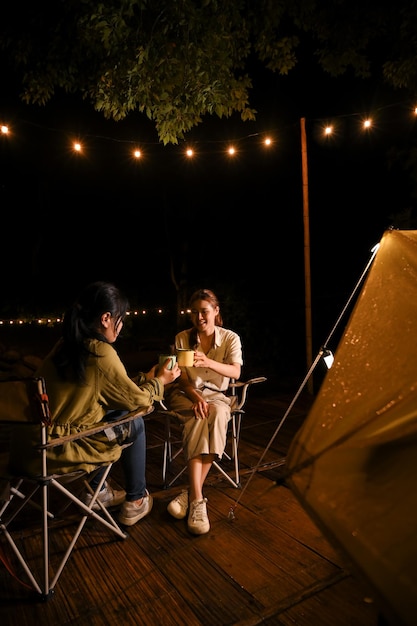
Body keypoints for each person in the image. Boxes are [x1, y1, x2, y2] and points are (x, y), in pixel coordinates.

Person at [10, 281, 181, 526]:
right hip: (58, 450)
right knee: (135, 422)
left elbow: (111, 391)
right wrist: (161, 382)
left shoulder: (65, 345)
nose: (121, 327)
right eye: (120, 319)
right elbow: (138, 400)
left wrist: (147, 378)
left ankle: (96, 491)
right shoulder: (99, 352)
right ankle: (135, 501)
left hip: (27, 446)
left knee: (117, 412)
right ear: (106, 318)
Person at [165, 288, 243, 535]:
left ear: (216, 311)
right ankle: (199, 501)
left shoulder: (230, 338)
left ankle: (191, 493)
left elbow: (236, 373)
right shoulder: (182, 339)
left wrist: (208, 362)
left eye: (204, 312)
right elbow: (183, 380)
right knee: (199, 417)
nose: (199, 317)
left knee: (218, 414)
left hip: (218, 396)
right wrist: (196, 397)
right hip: (187, 394)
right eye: (195, 312)